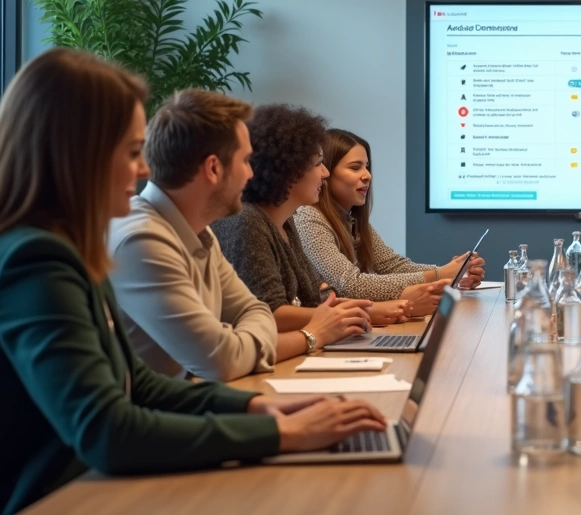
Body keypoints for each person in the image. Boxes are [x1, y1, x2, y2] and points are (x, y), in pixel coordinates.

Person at [0, 49, 386, 515]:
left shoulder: (66, 246)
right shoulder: (32, 260)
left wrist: (256, 410)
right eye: (131, 152)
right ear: (76, 154)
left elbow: (138, 385)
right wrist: (282, 435)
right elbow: (108, 431)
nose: (145, 170)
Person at [109, 90, 371, 381]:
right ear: (213, 168)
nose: (251, 173)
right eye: (245, 161)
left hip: (196, 395)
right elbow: (221, 359)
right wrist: (312, 335)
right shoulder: (142, 241)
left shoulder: (199, 231)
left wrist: (242, 338)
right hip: (165, 405)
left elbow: (255, 310)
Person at [214, 105, 412, 333]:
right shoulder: (247, 222)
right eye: (318, 164)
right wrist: (362, 312)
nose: (325, 173)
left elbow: (314, 295)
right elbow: (271, 313)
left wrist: (367, 309)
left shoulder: (286, 223)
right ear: (289, 169)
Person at [293, 129, 482, 315]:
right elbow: (351, 285)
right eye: (355, 167)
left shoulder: (352, 220)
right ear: (327, 173)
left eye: (367, 167)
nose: (367, 175)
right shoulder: (308, 217)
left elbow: (392, 265)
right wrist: (442, 275)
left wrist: (452, 272)